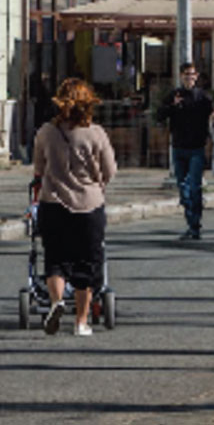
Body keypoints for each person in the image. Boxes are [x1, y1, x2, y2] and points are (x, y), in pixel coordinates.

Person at [32, 78, 117, 336]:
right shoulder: (96, 133)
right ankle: (81, 321)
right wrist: (97, 182)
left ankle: (57, 302)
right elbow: (110, 170)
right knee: (86, 264)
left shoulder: (46, 132)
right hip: (88, 205)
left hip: (53, 203)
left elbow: (38, 168)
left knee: (56, 260)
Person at [157, 62, 214, 240]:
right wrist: (172, 106)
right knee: (183, 189)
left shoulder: (203, 97)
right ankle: (191, 221)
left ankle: (195, 225)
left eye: (192, 74)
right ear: (181, 76)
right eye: (186, 74)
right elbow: (159, 115)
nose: (189, 78)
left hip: (197, 148)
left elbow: (213, 118)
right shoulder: (174, 95)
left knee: (195, 188)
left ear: (196, 77)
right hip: (179, 148)